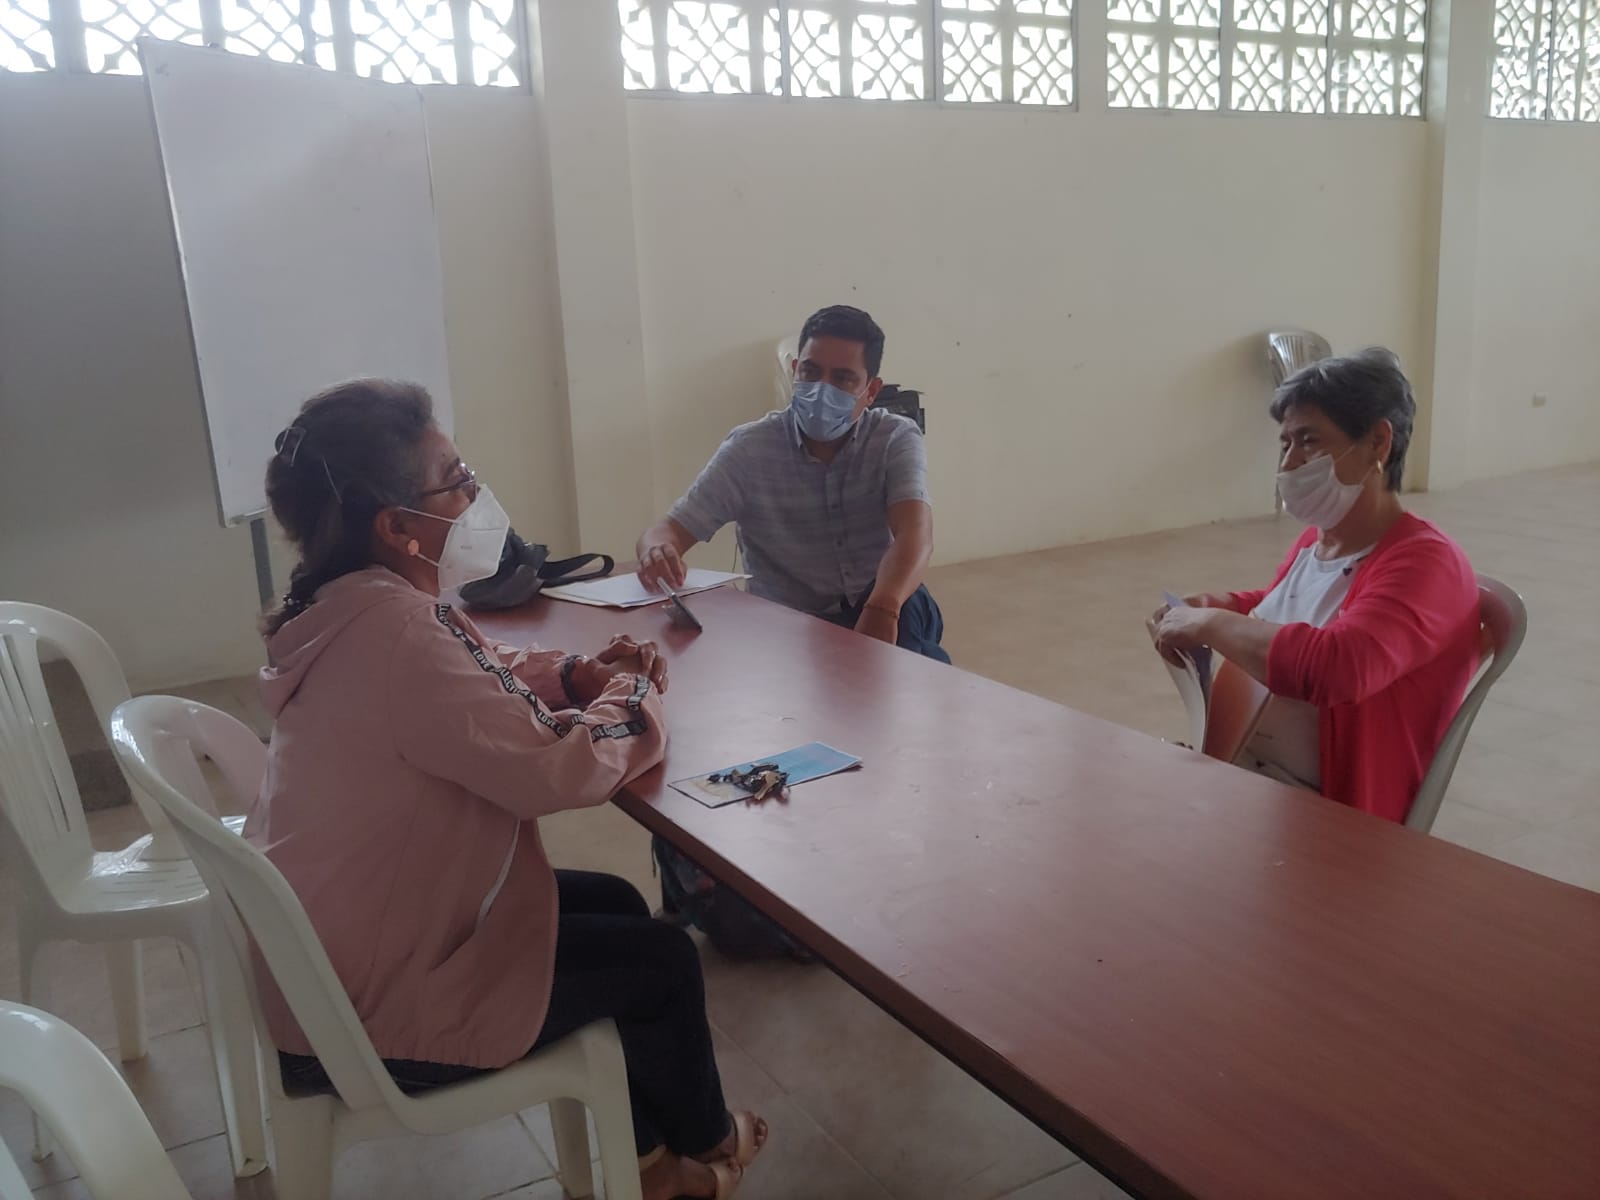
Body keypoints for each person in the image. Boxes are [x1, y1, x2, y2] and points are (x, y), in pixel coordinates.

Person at [246, 380, 765, 1200]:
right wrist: (631, 694)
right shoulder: (396, 632)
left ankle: (649, 1162)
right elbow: (557, 769)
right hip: (369, 1008)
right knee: (662, 962)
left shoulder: (350, 606)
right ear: (396, 527)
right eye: (455, 480)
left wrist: (576, 674)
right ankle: (707, 1147)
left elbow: (472, 676)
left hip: (340, 954)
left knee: (614, 905)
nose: (476, 494)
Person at [1148, 349, 1481, 824]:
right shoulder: (1320, 540)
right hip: (1250, 781)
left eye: (1309, 440)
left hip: (1331, 816)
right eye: (1285, 443)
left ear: (1378, 442)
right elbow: (1283, 610)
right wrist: (1217, 605)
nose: (1290, 462)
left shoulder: (1427, 563)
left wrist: (1212, 623)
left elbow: (1338, 668)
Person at [636, 304, 950, 663]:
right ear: (795, 370)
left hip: (882, 598)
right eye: (811, 372)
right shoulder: (750, 449)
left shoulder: (894, 437)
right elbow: (666, 532)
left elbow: (915, 535)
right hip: (791, 623)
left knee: (906, 645)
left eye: (843, 379)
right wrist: (657, 552)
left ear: (871, 390)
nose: (821, 390)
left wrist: (882, 608)